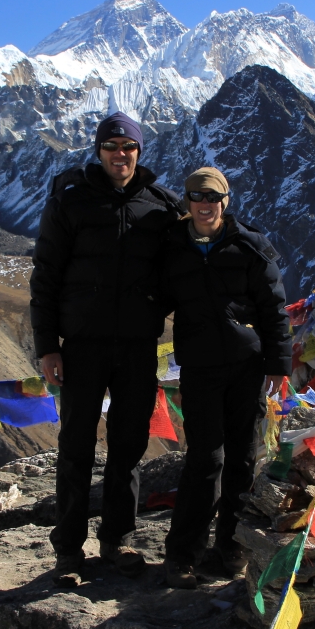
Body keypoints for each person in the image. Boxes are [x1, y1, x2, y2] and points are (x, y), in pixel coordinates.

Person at [30, 111, 182, 587]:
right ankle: (69, 550)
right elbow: (46, 277)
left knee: (129, 445)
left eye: (130, 147)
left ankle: (119, 540)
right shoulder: (70, 201)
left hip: (138, 346)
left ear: (140, 152)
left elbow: (187, 268)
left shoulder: (161, 208)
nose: (122, 155)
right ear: (99, 150)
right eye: (113, 146)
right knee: (75, 446)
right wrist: (47, 346)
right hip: (82, 347)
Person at [159, 166, 290, 589]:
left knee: (241, 460)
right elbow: (150, 300)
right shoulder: (172, 246)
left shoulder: (251, 248)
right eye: (197, 197)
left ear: (225, 202)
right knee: (204, 460)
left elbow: (274, 309)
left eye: (213, 198)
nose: (205, 205)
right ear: (188, 201)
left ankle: (231, 551)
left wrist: (279, 366)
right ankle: (182, 556)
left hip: (246, 369)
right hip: (198, 369)